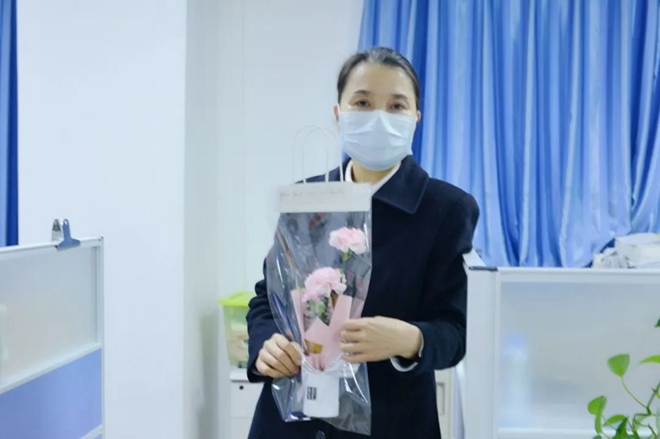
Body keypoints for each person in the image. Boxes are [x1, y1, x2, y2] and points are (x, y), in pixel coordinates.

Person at [246, 47, 479, 439]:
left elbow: (455, 330)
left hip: (390, 423)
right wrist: (265, 345)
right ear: (338, 113)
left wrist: (410, 339)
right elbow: (266, 299)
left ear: (416, 118)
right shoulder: (305, 199)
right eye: (363, 102)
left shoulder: (446, 209)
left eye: (396, 105)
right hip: (289, 422)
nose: (378, 117)